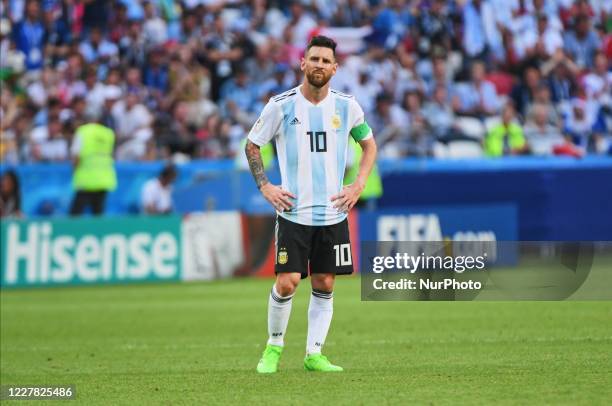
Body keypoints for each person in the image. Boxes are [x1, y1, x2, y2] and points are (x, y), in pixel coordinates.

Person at [245, 36, 377, 373]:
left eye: (325, 60)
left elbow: (369, 146)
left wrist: (358, 184)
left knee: (325, 283)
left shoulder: (348, 107)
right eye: (313, 59)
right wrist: (265, 186)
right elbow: (252, 145)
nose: (319, 65)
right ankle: (273, 348)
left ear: (335, 68)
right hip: (294, 212)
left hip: (333, 213)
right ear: (303, 63)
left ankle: (313, 353)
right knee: (288, 281)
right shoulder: (281, 105)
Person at [69, 118, 117, 216]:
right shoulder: (108, 133)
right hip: (104, 180)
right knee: (98, 215)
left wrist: (74, 170)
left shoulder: (83, 131)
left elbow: (76, 155)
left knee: (75, 216)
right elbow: (112, 155)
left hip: (85, 180)